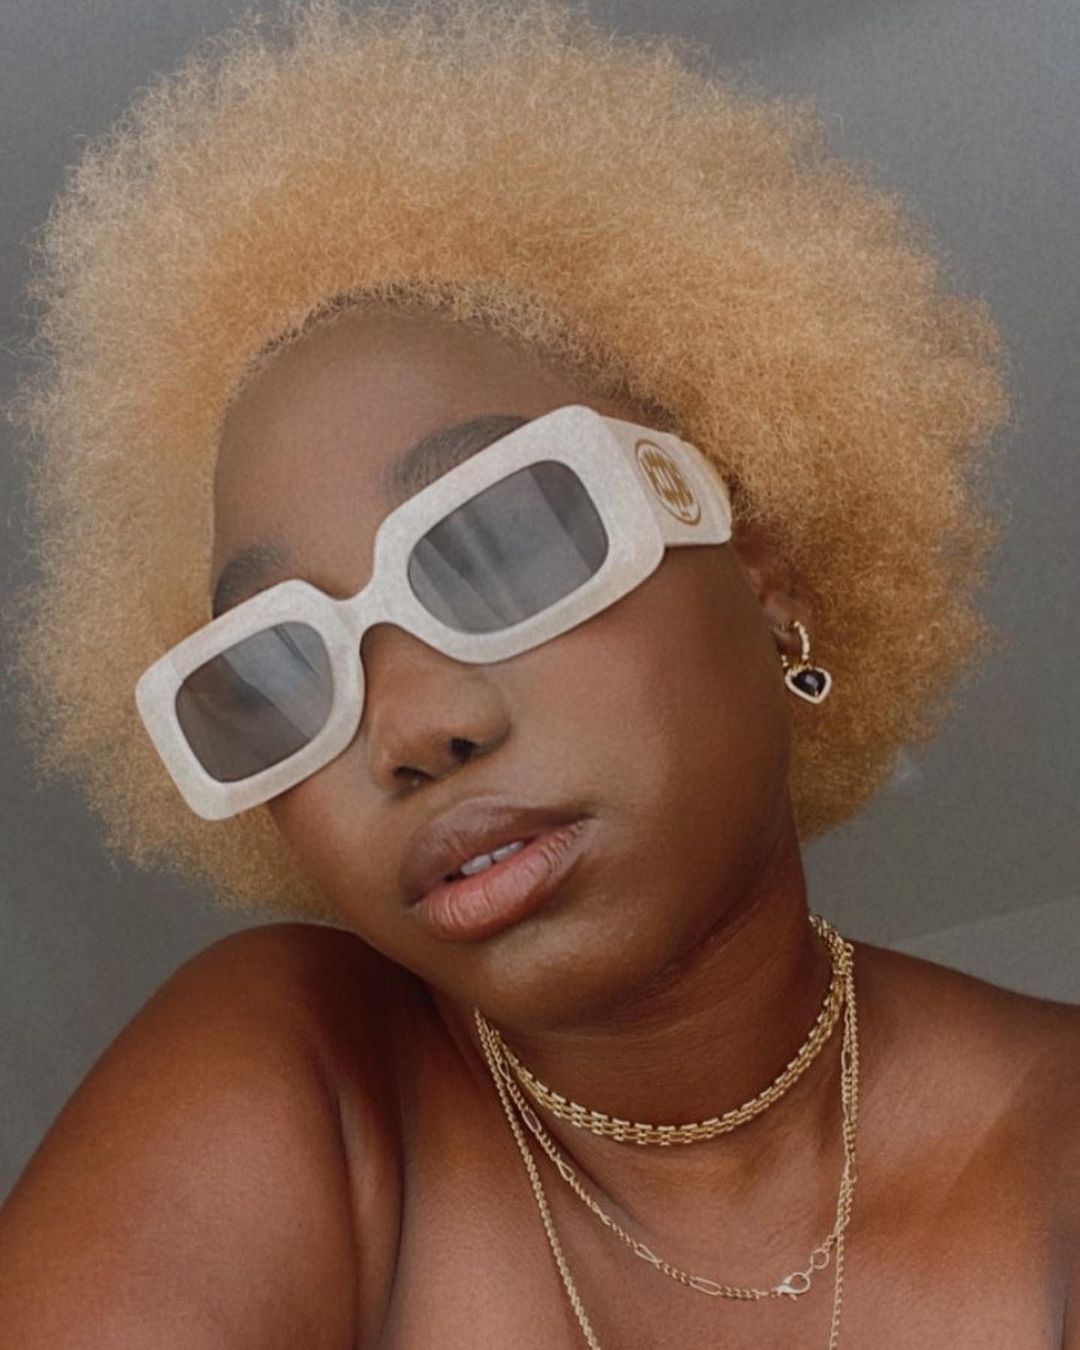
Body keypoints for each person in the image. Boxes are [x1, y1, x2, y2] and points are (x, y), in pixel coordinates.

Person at [0, 1, 1076, 1345]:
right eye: (277, 671)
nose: (408, 725)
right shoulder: (306, 1074)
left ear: (763, 575)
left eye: (503, 539)